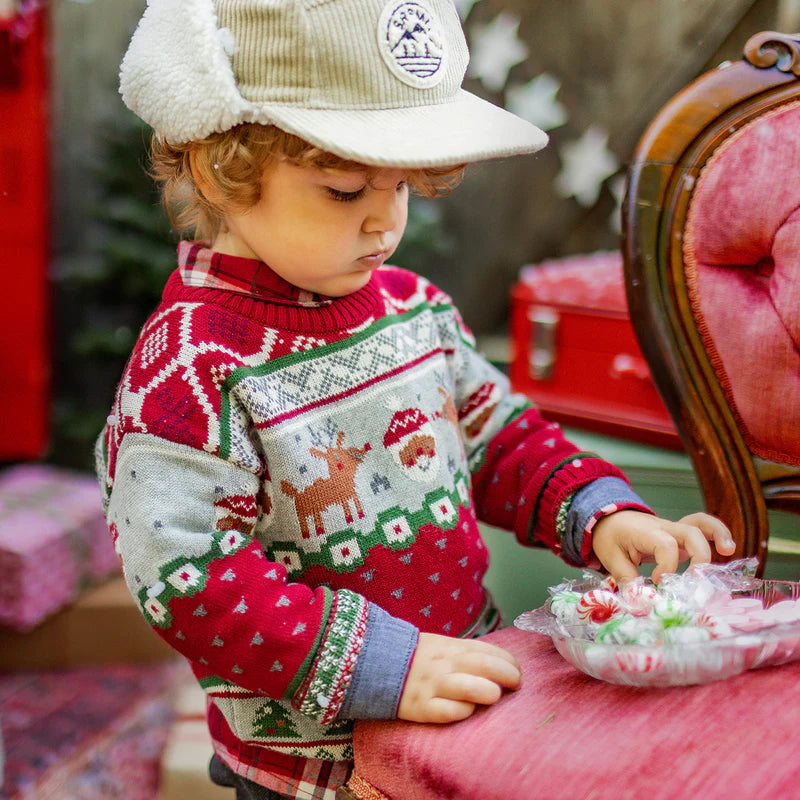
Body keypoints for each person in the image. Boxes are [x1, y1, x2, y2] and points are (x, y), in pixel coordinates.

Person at [96, 1, 736, 798]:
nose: (385, 221)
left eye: (401, 186)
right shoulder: (192, 364)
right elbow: (188, 575)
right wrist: (384, 669)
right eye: (342, 189)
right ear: (214, 168)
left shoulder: (413, 310)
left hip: (462, 712)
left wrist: (598, 511)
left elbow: (497, 440)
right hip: (311, 766)